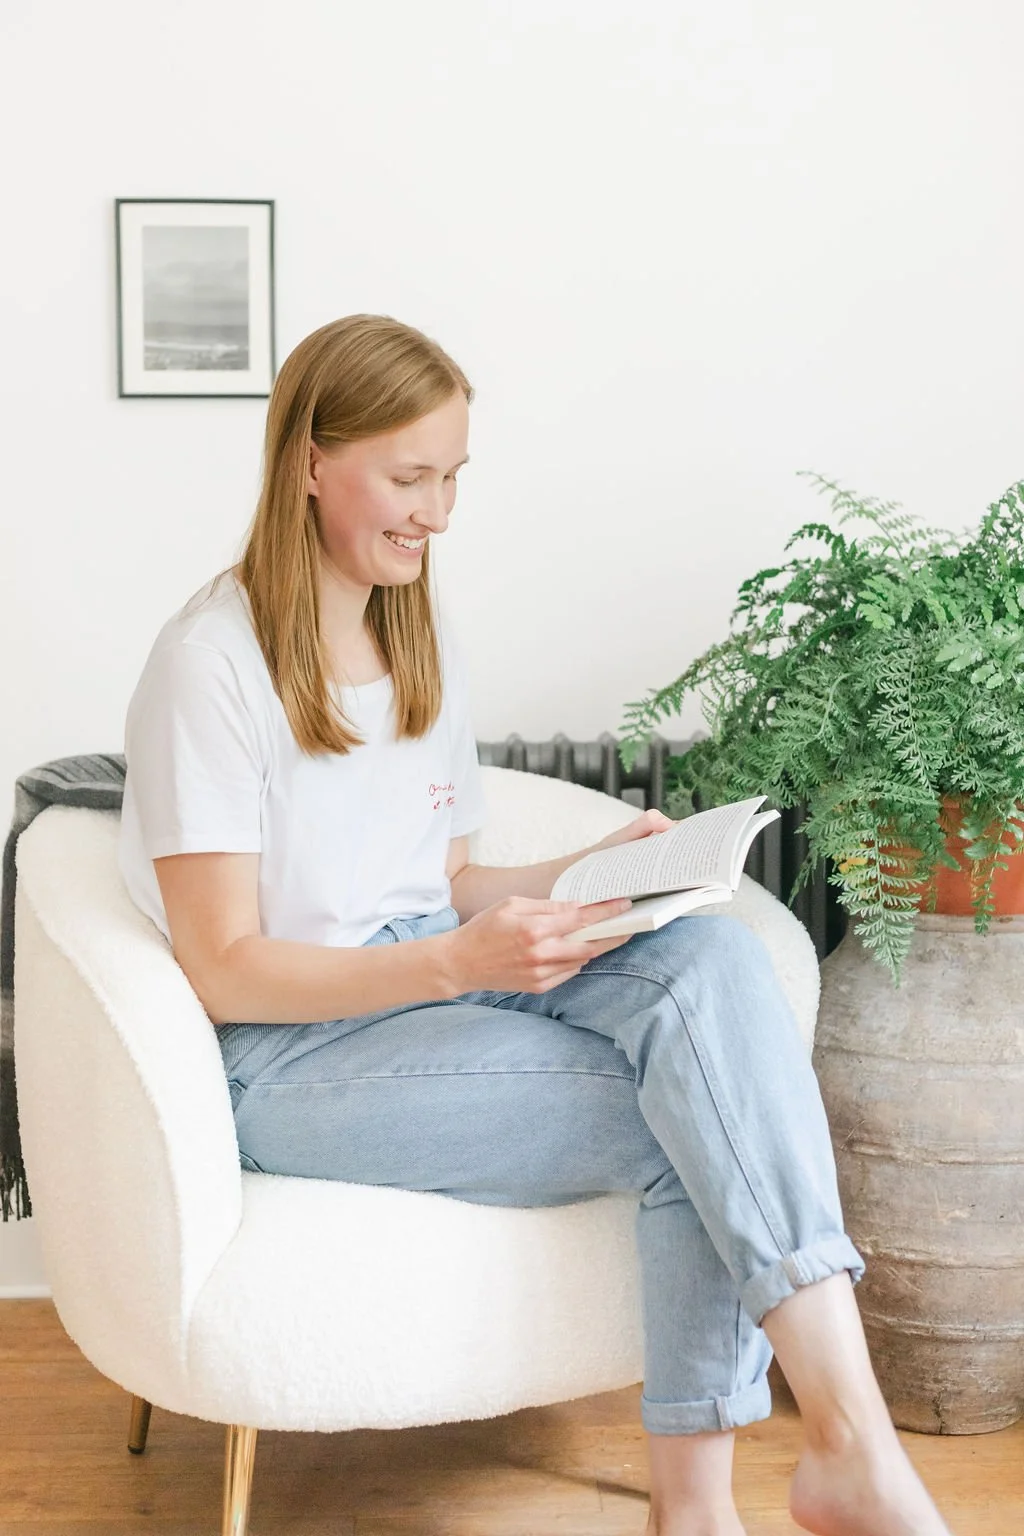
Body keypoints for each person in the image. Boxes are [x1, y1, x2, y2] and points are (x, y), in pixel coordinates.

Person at [117, 314, 953, 1536]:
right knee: (704, 1110)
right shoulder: (211, 666)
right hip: (291, 1056)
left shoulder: (416, 628)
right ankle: (749, 1494)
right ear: (307, 459)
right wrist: (457, 960)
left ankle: (837, 1443)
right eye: (409, 478)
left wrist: (581, 873)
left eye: (453, 477)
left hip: (431, 989)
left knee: (711, 967)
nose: (438, 513)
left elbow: (436, 881)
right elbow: (225, 970)